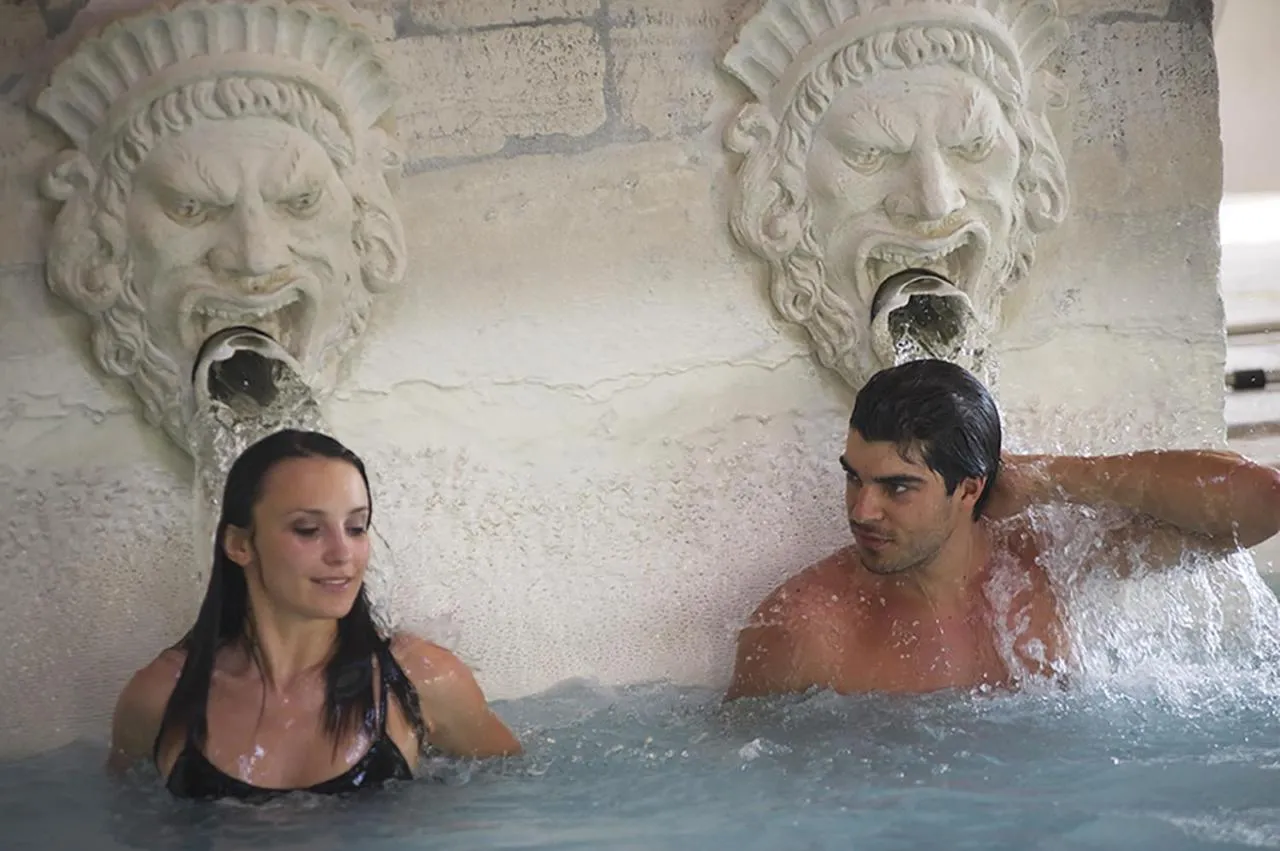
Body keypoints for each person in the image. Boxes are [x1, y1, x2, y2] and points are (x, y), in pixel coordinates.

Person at [725, 359, 1280, 700]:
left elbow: (1262, 505)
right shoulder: (806, 630)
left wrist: (1056, 478)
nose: (862, 511)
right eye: (854, 479)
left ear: (969, 489)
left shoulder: (1046, 562)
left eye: (897, 487)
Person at [108, 429, 521, 801]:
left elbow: (519, 796)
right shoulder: (161, 696)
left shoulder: (421, 681)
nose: (342, 554)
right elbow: (125, 816)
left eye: (356, 528)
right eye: (308, 530)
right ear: (239, 544)